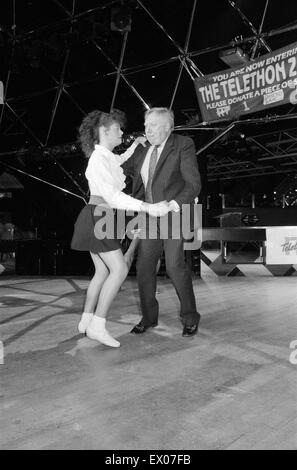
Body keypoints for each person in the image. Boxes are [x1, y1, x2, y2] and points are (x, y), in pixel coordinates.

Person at [71, 109, 170, 348]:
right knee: (119, 269)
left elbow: (121, 159)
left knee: (102, 272)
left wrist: (135, 145)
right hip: (98, 217)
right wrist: (149, 207)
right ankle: (97, 325)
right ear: (105, 131)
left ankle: (86, 320)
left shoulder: (104, 156)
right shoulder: (98, 159)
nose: (122, 132)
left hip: (97, 216)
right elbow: (114, 196)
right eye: (118, 129)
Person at [123, 107, 201, 337]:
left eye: (153, 125)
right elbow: (123, 171)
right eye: (145, 125)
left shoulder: (183, 144)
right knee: (144, 267)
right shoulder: (142, 151)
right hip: (148, 217)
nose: (147, 129)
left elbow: (193, 184)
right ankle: (148, 318)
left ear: (167, 126)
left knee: (175, 266)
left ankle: (190, 317)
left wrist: (173, 205)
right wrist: (131, 147)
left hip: (173, 214)